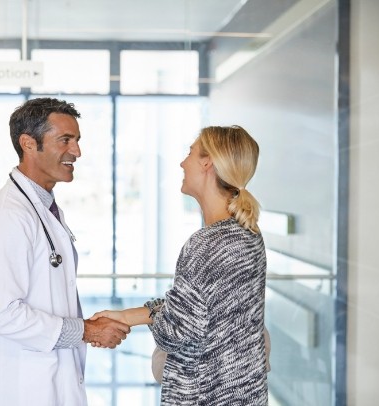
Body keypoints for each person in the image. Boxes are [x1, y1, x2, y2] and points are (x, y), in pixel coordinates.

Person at [0, 97, 130, 406]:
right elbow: (3, 315)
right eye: (65, 140)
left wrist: (88, 329)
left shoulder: (42, 207)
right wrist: (86, 331)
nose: (77, 151)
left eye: (77, 140)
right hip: (20, 388)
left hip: (45, 381)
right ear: (28, 143)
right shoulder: (9, 216)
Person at [91, 125, 268, 405]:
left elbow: (177, 331)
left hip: (205, 396)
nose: (182, 162)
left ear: (208, 163)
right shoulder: (246, 234)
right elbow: (197, 310)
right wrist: (126, 316)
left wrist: (127, 321)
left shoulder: (207, 243)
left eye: (190, 153)